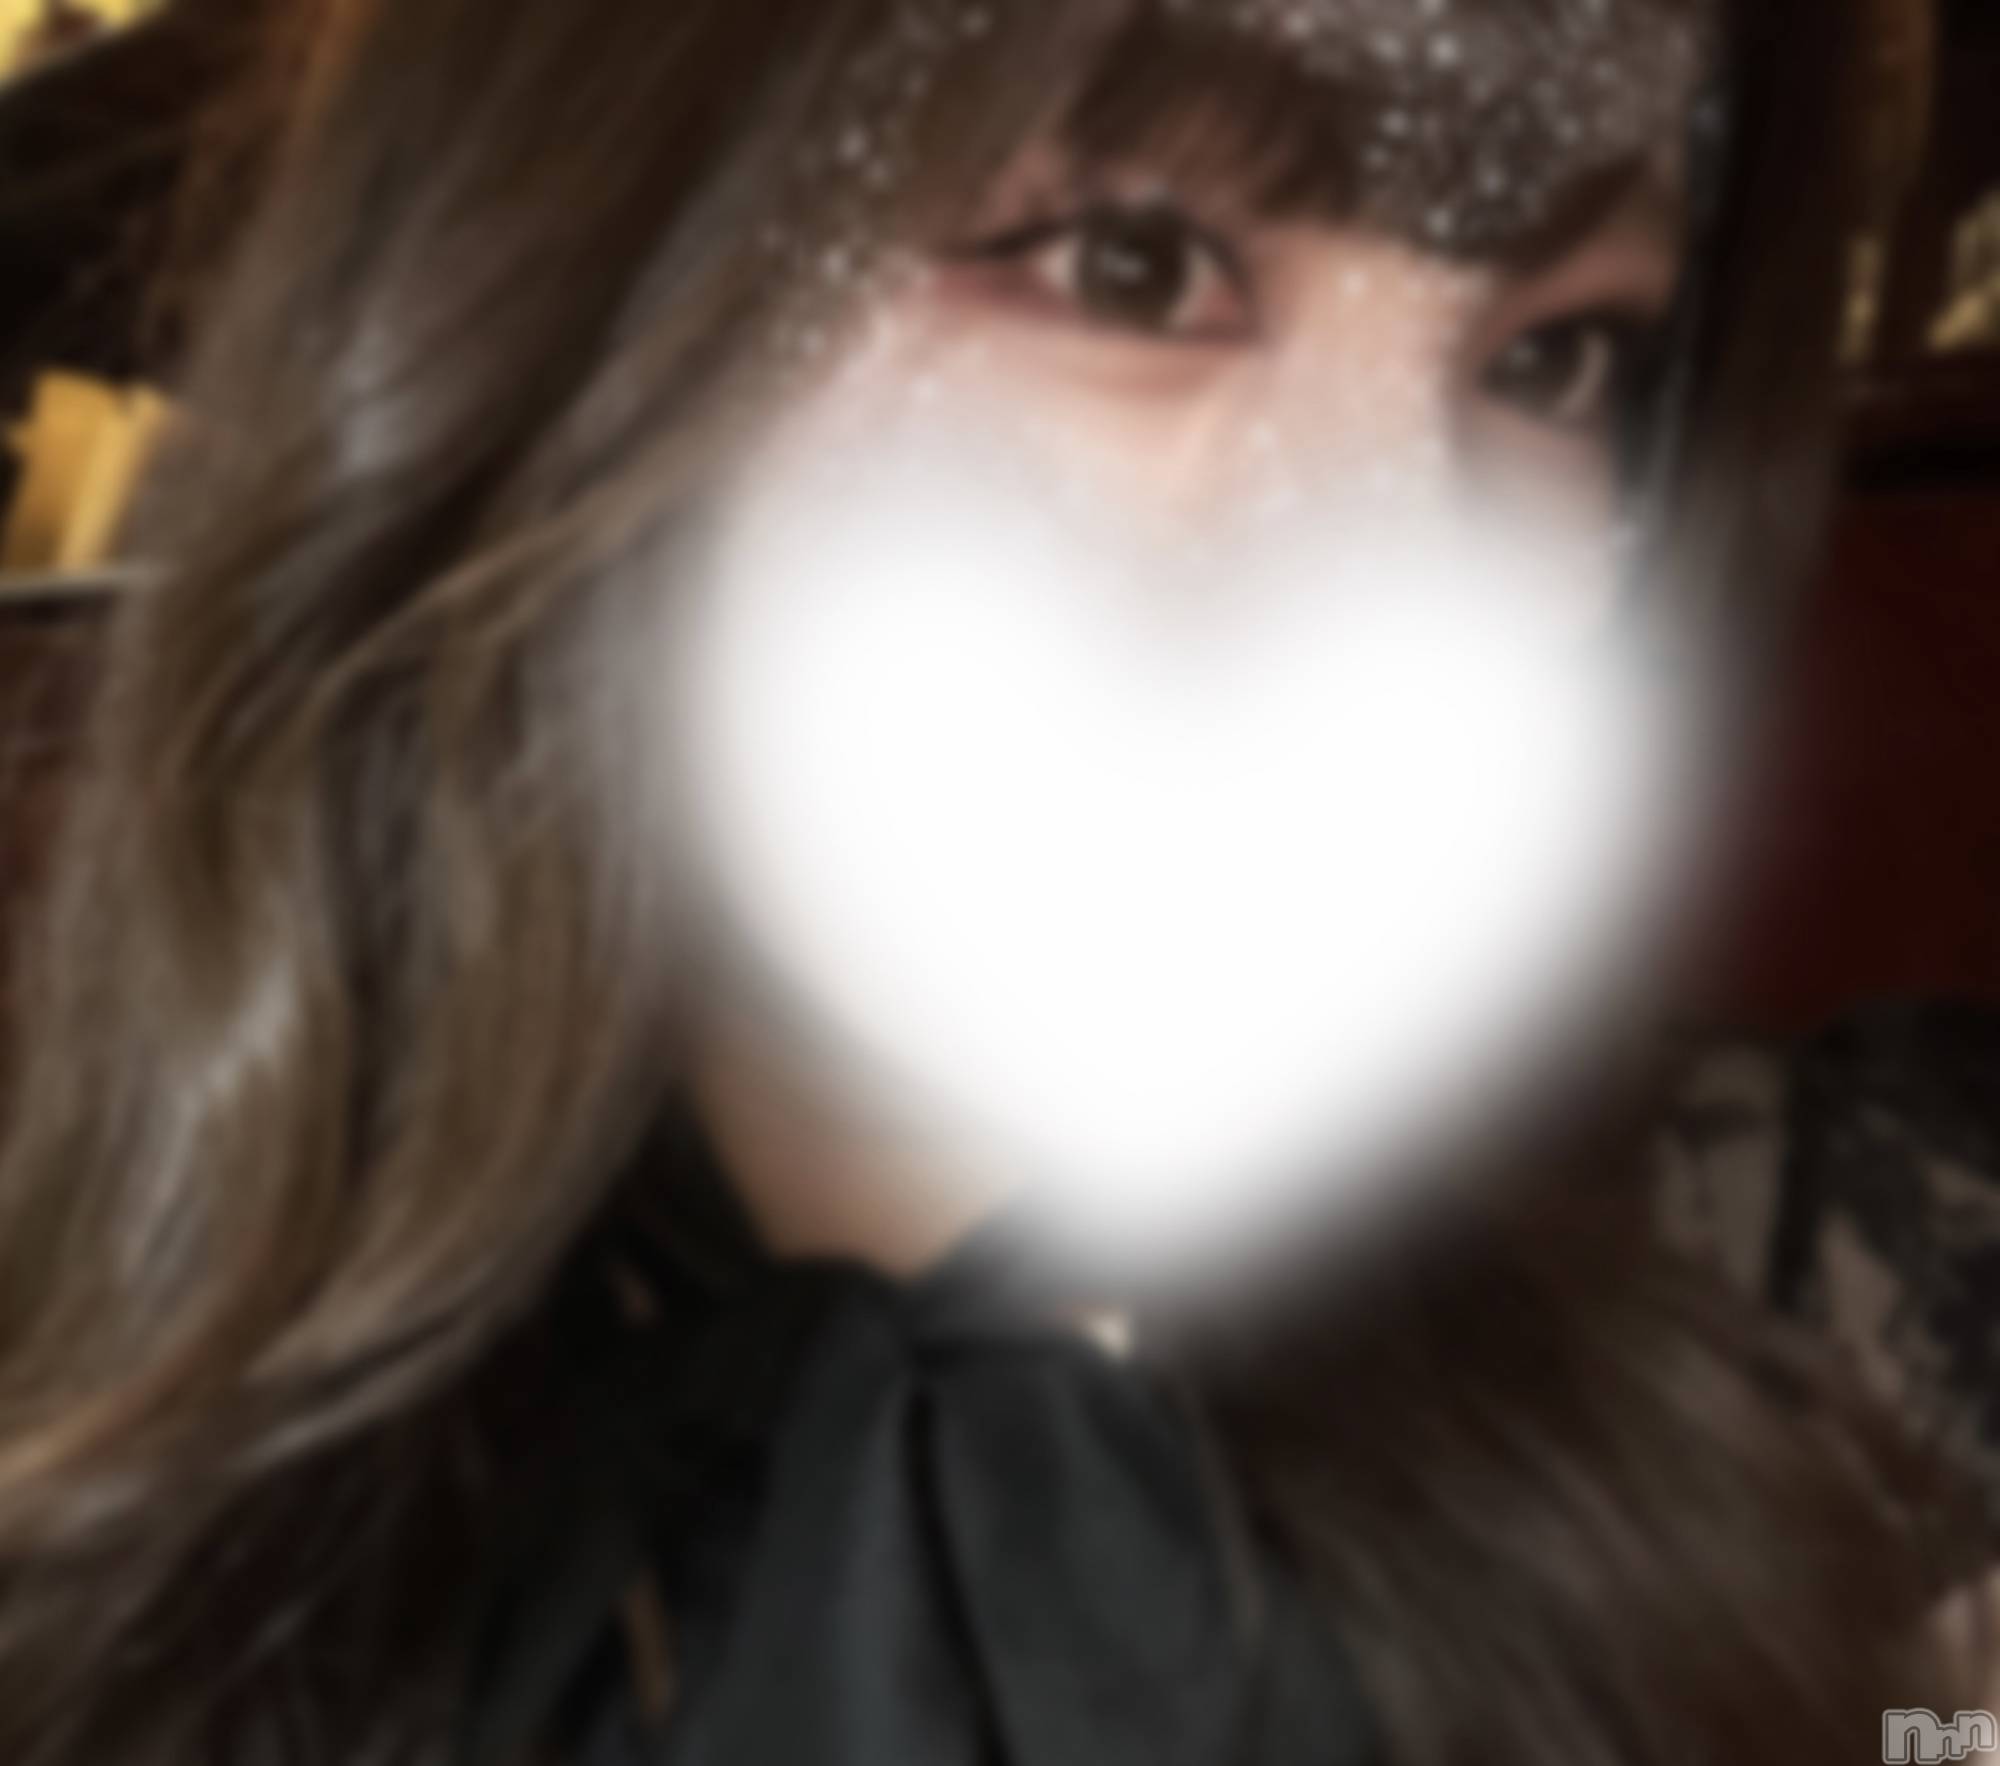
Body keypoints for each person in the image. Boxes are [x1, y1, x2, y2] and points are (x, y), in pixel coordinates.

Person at [0, 2, 1987, 1763]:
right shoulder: (112, 1530)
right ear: (570, 285)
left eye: (1555, 363)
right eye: (1131, 268)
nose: (1406, 607)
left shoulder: (1823, 1320)